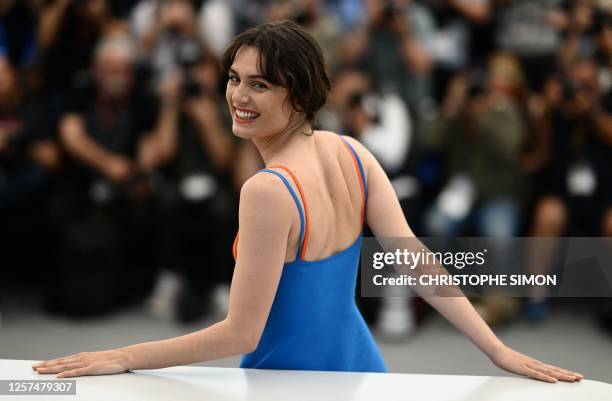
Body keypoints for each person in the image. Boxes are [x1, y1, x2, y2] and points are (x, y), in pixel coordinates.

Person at [32, 20, 583, 383]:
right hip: (360, 368)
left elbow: (240, 333)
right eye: (233, 78)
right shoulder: (352, 153)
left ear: (299, 93)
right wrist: (496, 349)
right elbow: (415, 259)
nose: (238, 97)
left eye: (261, 86)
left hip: (287, 379)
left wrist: (123, 356)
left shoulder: (267, 191)